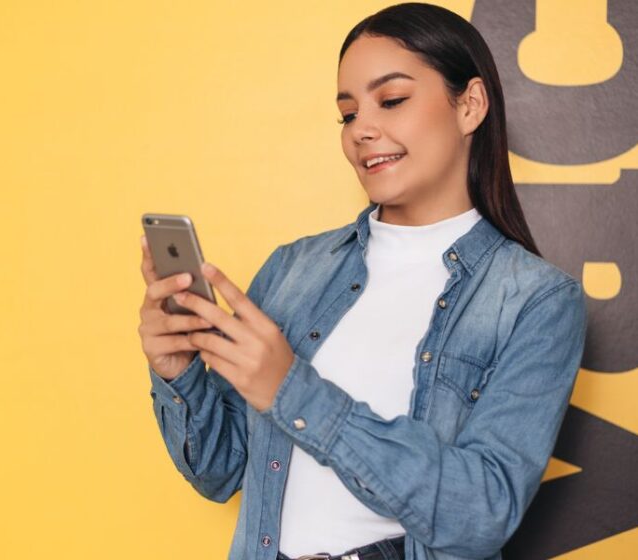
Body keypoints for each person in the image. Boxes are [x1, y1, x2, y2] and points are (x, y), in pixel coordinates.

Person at [136, 3, 588, 560]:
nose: (362, 131)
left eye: (392, 100)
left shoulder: (537, 301)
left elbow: (481, 511)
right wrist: (179, 374)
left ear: (470, 105)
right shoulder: (293, 268)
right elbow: (220, 472)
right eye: (348, 114)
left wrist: (291, 390)